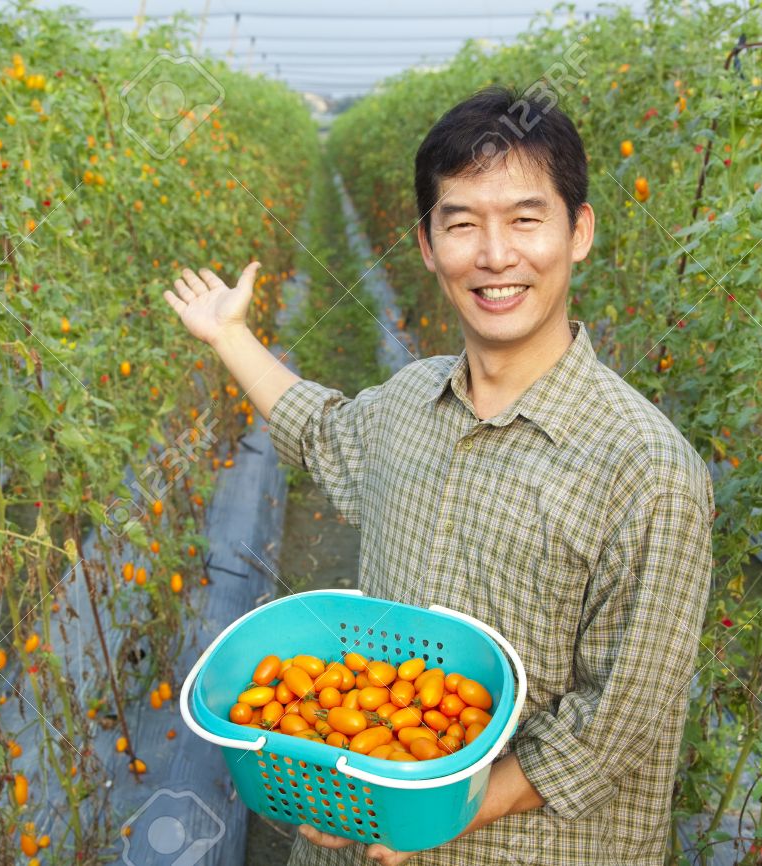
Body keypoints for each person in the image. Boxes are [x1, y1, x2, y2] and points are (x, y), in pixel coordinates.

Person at [163, 85, 714, 866]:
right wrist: (228, 337)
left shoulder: (647, 473)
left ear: (579, 231)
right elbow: (322, 432)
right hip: (355, 833)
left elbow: (620, 719)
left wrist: (443, 811)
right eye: (462, 223)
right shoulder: (409, 402)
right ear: (427, 244)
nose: (495, 255)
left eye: (526, 219)